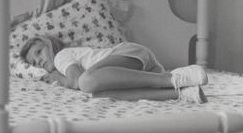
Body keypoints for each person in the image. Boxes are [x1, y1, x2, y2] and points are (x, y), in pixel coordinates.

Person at [20, 35, 208, 102]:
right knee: (98, 94)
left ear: (48, 43)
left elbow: (75, 81)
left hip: (129, 54)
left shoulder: (61, 56)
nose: (39, 61)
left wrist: (59, 79)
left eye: (39, 52)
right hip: (137, 71)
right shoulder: (61, 64)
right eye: (34, 63)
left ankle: (172, 79)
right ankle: (181, 93)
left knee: (85, 82)